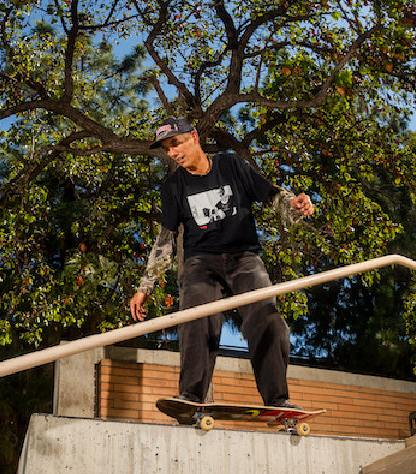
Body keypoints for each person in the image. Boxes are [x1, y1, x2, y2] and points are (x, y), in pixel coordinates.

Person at [130, 116, 314, 408]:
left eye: (176, 143)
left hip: (244, 257)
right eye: (167, 149)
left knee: (265, 316)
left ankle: (278, 399)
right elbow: (165, 241)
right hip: (200, 263)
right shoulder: (173, 187)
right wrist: (146, 286)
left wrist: (293, 205)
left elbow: (272, 195)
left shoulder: (232, 165)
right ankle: (190, 396)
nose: (173, 153)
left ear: (194, 137)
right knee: (195, 315)